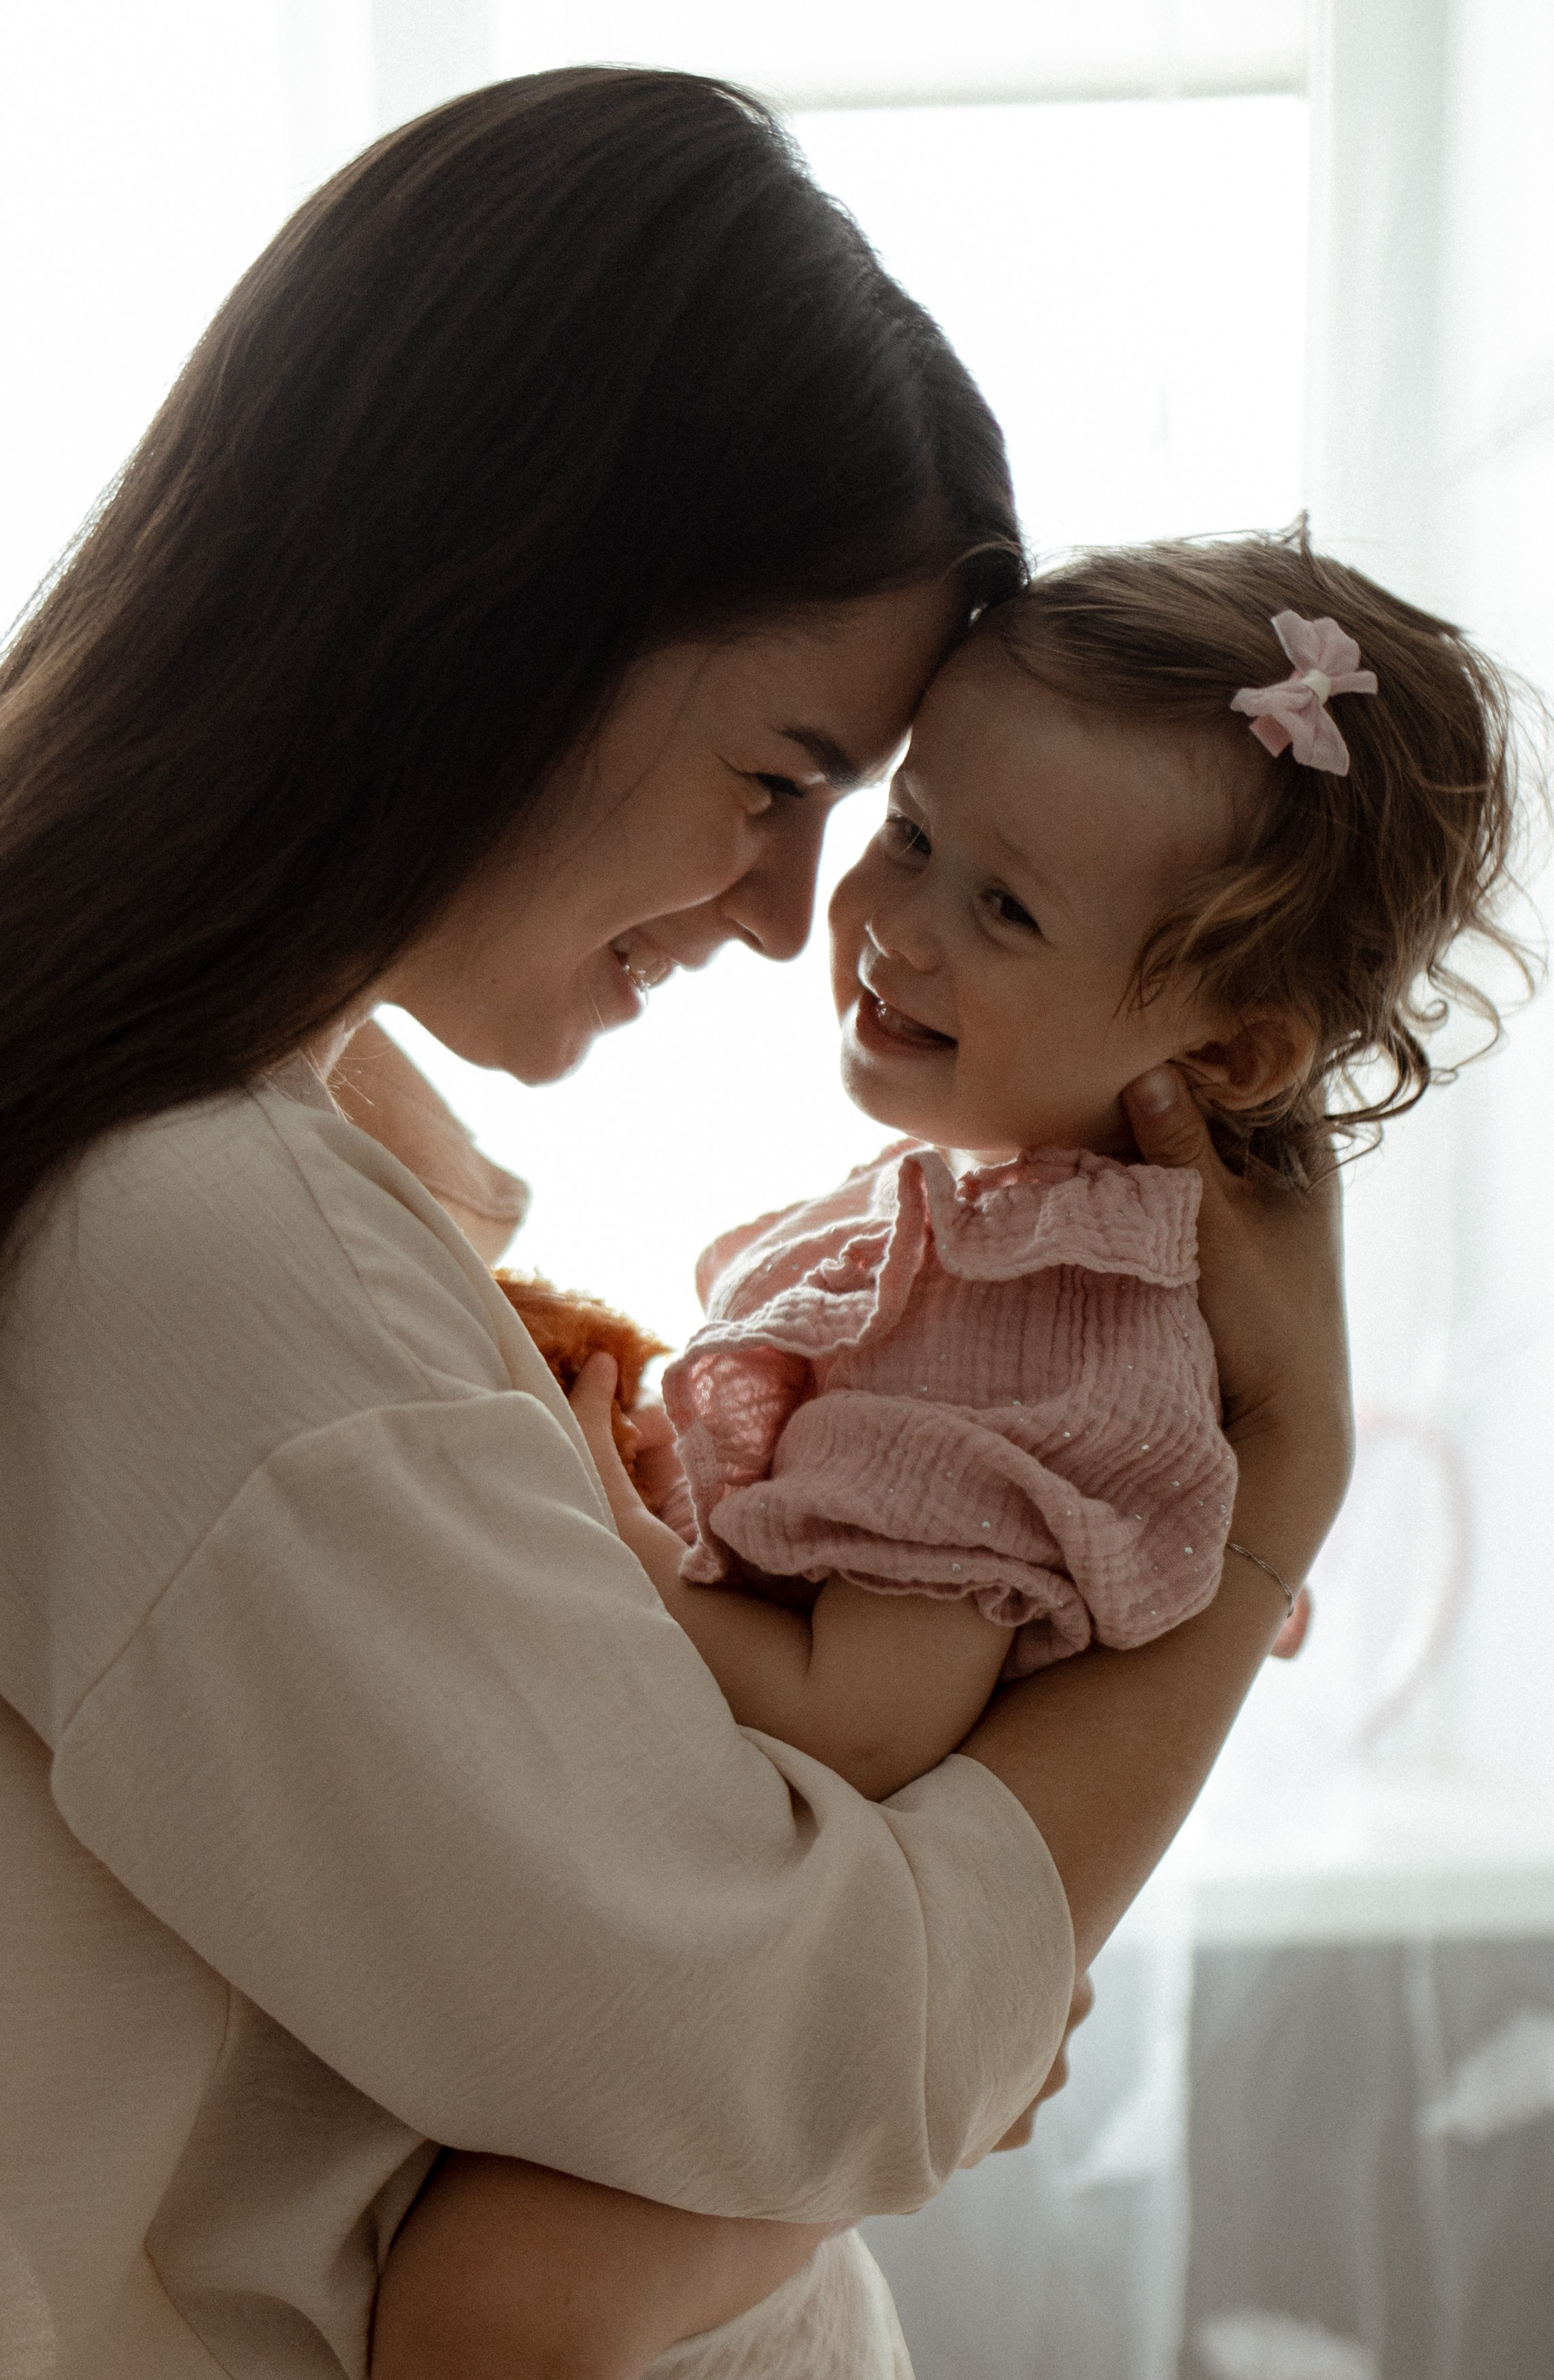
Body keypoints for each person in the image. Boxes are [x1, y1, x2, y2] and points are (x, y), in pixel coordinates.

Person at [0, 68, 1349, 2380]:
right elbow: (829, 2051)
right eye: (785, 785)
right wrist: (1262, 1519)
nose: (786, 918)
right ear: (493, 619)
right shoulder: (204, 1250)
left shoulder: (271, 1174)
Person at [372, 530, 1536, 2373]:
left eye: (1006, 911)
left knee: (491, 2307)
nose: (896, 923)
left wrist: (608, 1522)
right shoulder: (971, 1232)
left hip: (843, 1978)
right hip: (795, 1954)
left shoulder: (1041, 1327)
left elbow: (861, 1714)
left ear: (1229, 1051)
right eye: (915, 832)